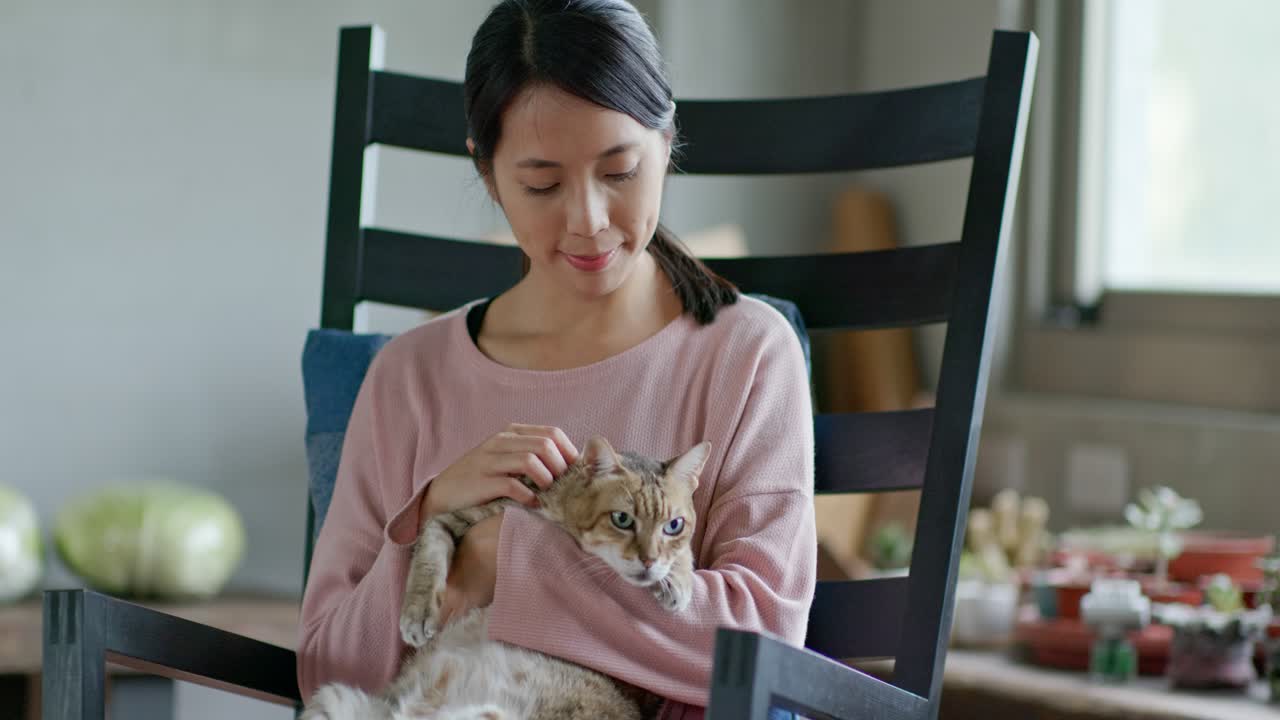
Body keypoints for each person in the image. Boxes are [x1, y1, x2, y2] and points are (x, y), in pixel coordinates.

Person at [296, 1, 816, 717]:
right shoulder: (409, 378)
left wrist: (503, 559)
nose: (589, 219)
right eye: (542, 184)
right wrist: (434, 521)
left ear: (667, 142)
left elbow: (768, 646)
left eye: (621, 171)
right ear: (487, 174)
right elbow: (326, 668)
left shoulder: (746, 356)